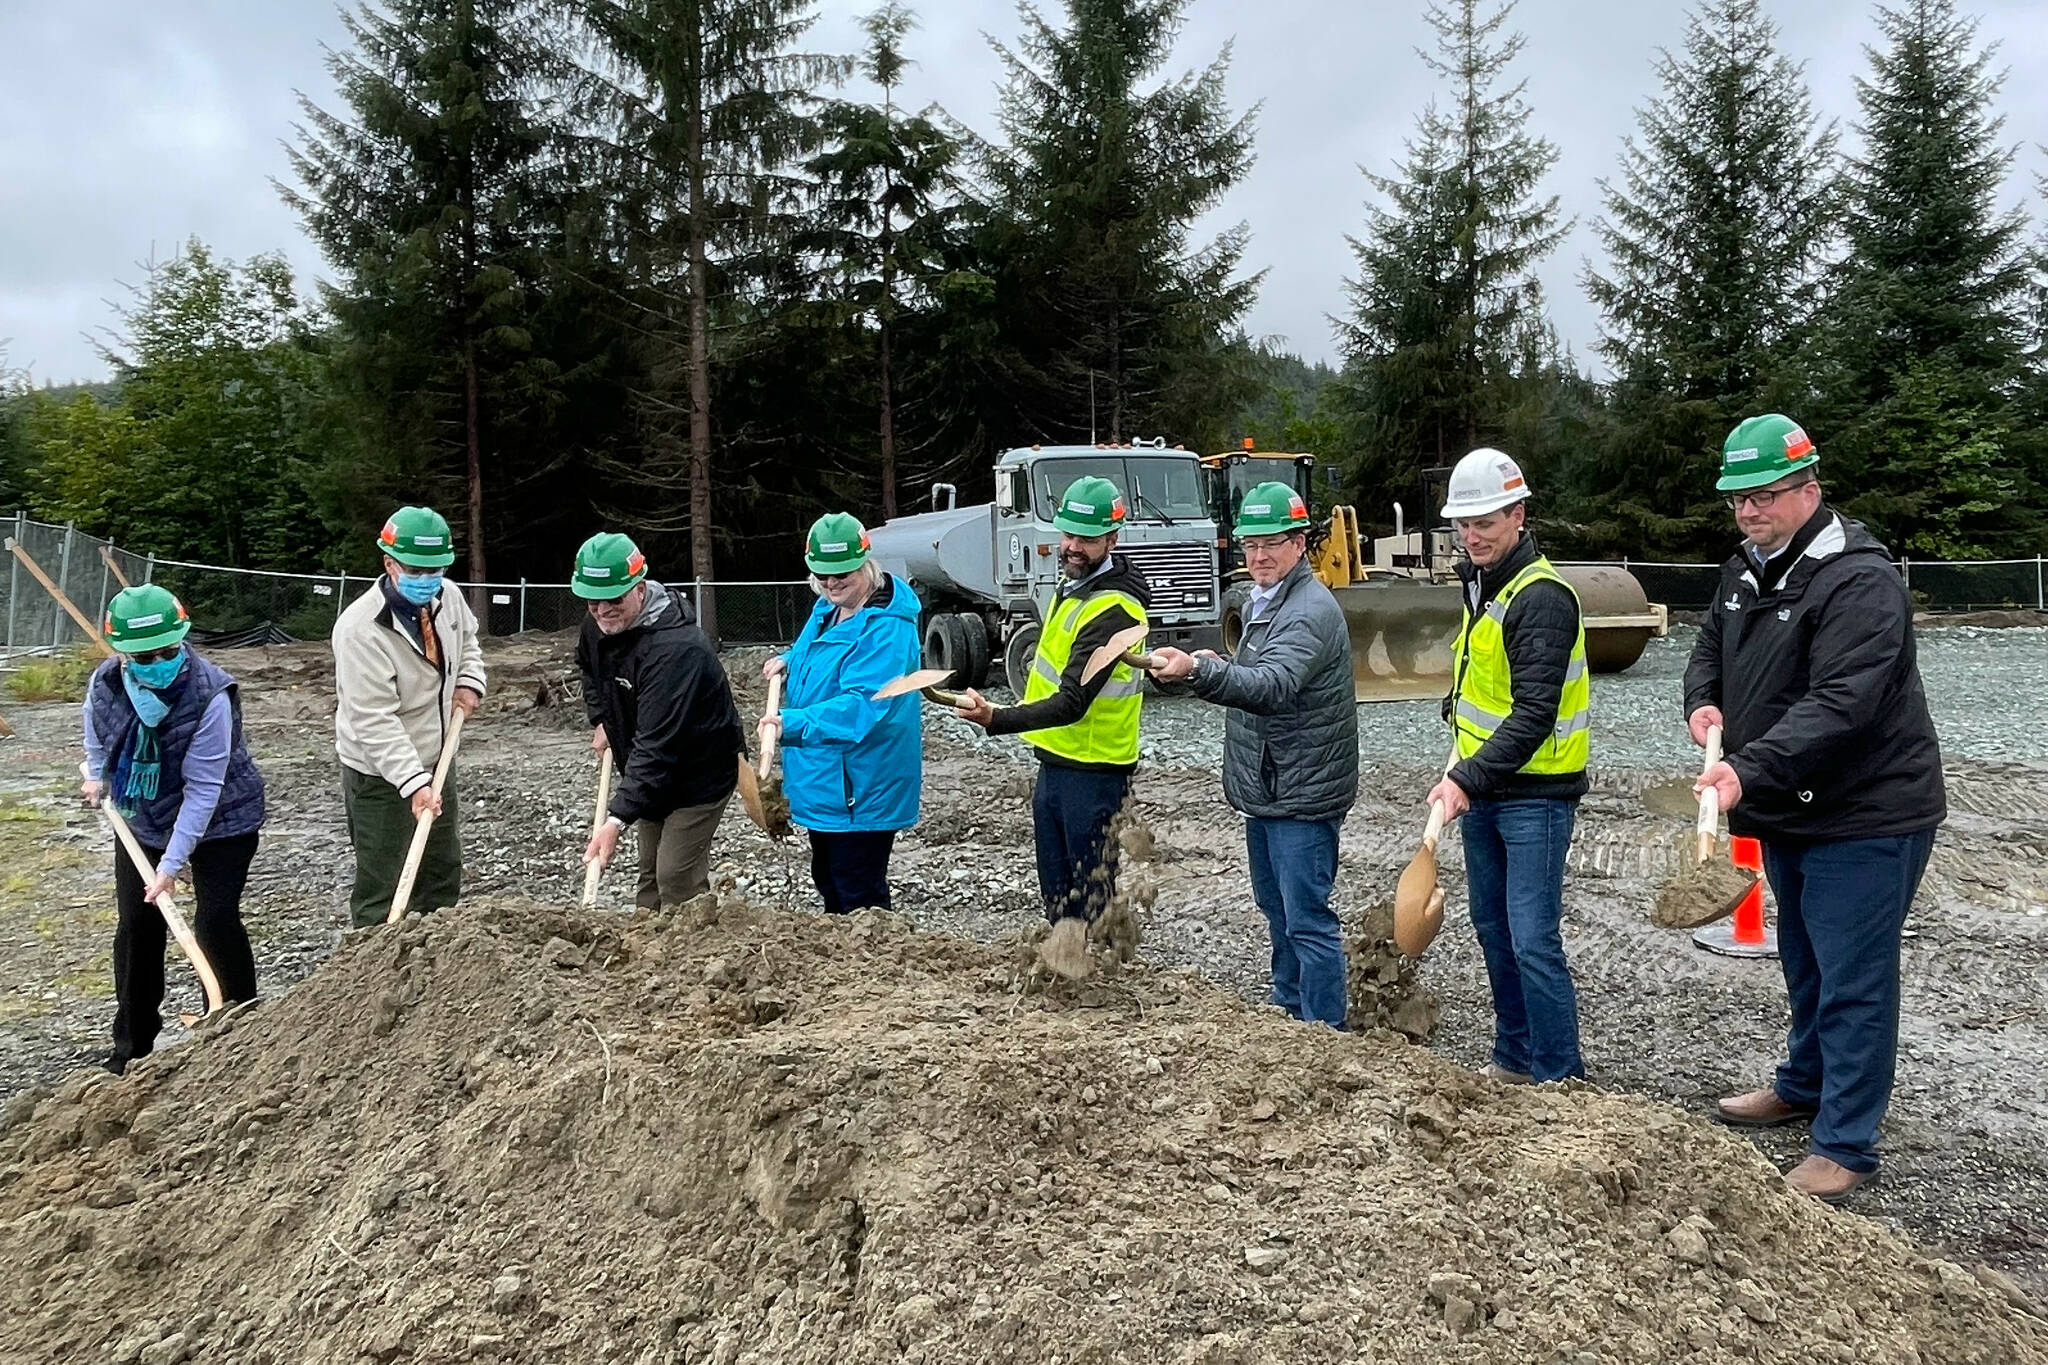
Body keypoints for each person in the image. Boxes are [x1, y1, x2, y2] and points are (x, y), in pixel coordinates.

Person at [1688, 413, 1945, 1203]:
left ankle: (1846, 1144)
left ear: (1810, 488)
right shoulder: (1746, 567)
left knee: (1854, 976)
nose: (1749, 512)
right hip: (1790, 805)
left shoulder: (1859, 579)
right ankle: (1803, 1082)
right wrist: (1703, 704)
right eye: (1738, 499)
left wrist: (1744, 768)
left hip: (1866, 812)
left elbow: (1842, 704)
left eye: (1764, 496)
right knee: (1804, 959)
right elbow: (1709, 647)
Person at [1148, 481, 1358, 1027]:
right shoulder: (1269, 600)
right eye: (1250, 546)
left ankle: (1325, 1034)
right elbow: (1253, 672)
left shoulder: (1308, 609)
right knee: (1278, 911)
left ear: (1300, 543)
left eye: (1272, 544)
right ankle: (1289, 1015)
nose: (1259, 556)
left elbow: (1271, 685)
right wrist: (1205, 663)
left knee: (1307, 918)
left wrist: (1199, 669)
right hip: (1273, 786)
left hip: (1300, 791)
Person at [1422, 449, 1589, 1083]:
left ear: (1518, 515)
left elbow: (1535, 711)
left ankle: (1558, 1076)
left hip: (1535, 795)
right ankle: (1515, 1057)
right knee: (1493, 928)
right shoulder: (1483, 583)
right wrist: (1456, 707)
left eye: (1485, 522)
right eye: (1463, 525)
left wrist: (1465, 777)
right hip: (1489, 784)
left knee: (1532, 938)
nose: (1472, 536)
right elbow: (1490, 683)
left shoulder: (1540, 597)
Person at [953, 476, 1150, 975]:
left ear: (1113, 538)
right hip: (1060, 762)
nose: (1071, 547)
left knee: (1088, 892)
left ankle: (1098, 979)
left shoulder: (1116, 607)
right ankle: (1068, 970)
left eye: (1085, 538)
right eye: (1067, 535)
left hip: (1095, 768)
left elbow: (1072, 701)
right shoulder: (1077, 587)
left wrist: (998, 718)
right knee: (1059, 888)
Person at [80, 585, 265, 1073]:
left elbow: (203, 790)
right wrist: (96, 776)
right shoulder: (107, 682)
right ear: (123, 652)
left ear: (181, 638)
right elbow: (97, 733)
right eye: (143, 654)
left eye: (165, 650)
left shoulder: (211, 694)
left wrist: (171, 864)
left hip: (225, 818)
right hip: (144, 814)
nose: (156, 660)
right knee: (138, 929)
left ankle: (239, 1031)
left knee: (215, 921)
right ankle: (132, 1049)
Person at [759, 513, 923, 913]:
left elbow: (863, 705)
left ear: (865, 565)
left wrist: (790, 724)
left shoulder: (887, 629)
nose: (831, 584)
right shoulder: (827, 608)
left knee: (858, 889)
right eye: (822, 575)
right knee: (829, 876)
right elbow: (818, 650)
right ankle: (842, 965)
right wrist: (790, 659)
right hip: (826, 780)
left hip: (862, 785)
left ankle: (872, 967)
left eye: (841, 576)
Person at [575, 531, 747, 909]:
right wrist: (601, 718)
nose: (603, 612)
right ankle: (648, 943)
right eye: (592, 603)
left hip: (700, 771)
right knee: (650, 871)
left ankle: (693, 947)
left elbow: (658, 742)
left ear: (639, 588)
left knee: (675, 874)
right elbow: (590, 669)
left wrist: (616, 819)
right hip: (651, 768)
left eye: (614, 600)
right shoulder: (598, 627)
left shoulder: (676, 649)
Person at [333, 506, 485, 926]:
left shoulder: (448, 597)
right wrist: (413, 783)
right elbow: (373, 719)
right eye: (416, 570)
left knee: (440, 870)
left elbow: (468, 641)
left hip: (437, 757)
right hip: (380, 775)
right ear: (389, 563)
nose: (428, 579)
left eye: (436, 569)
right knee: (384, 882)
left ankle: (438, 961)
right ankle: (374, 968)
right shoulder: (360, 630)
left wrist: (469, 680)